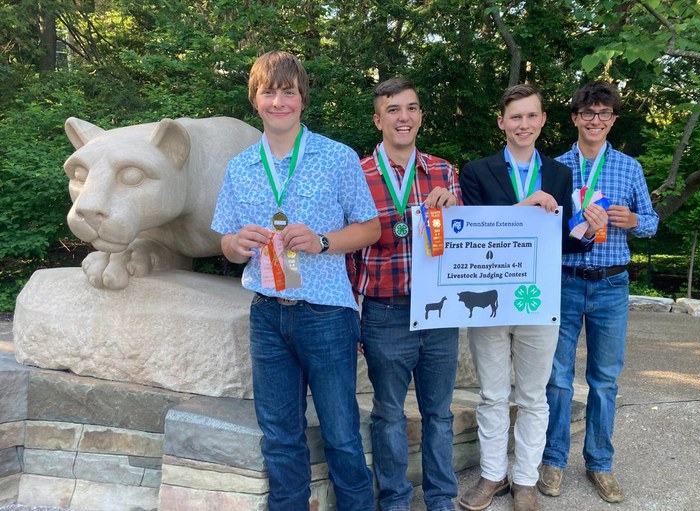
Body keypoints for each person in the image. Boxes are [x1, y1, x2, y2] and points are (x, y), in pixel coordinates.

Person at [211, 50, 380, 511]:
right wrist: (236, 243)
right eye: (269, 92)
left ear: (302, 98)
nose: (279, 101)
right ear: (255, 99)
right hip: (266, 314)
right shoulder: (241, 166)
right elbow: (224, 243)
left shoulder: (337, 157)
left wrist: (323, 240)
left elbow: (371, 229)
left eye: (288, 91)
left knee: (342, 434)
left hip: (326, 314)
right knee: (280, 434)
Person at [458, 84, 606, 511]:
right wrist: (524, 206)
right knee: (491, 395)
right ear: (501, 122)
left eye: (531, 116)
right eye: (515, 117)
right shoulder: (478, 171)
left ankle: (524, 481)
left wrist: (588, 229)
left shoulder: (560, 174)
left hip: (538, 298)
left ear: (543, 121)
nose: (523, 124)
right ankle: (492, 476)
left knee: (533, 396)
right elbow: (477, 233)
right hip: (490, 293)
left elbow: (563, 241)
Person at [538, 80, 659, 503]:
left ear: (613, 120)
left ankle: (600, 464)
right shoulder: (554, 167)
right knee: (557, 379)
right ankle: (552, 461)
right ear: (575, 118)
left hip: (611, 282)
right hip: (565, 280)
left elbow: (651, 222)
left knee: (605, 380)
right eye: (588, 113)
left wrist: (631, 222)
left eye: (604, 114)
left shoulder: (629, 168)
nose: (596, 121)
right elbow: (543, 229)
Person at [348, 76, 461, 511]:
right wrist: (354, 317)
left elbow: (466, 244)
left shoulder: (444, 171)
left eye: (411, 108)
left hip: (439, 312)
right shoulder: (357, 175)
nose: (403, 117)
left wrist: (455, 210)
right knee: (389, 413)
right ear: (378, 120)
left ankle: (441, 497)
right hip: (385, 311)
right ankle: (395, 498)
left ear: (420, 117)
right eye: (393, 110)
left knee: (440, 413)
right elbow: (348, 256)